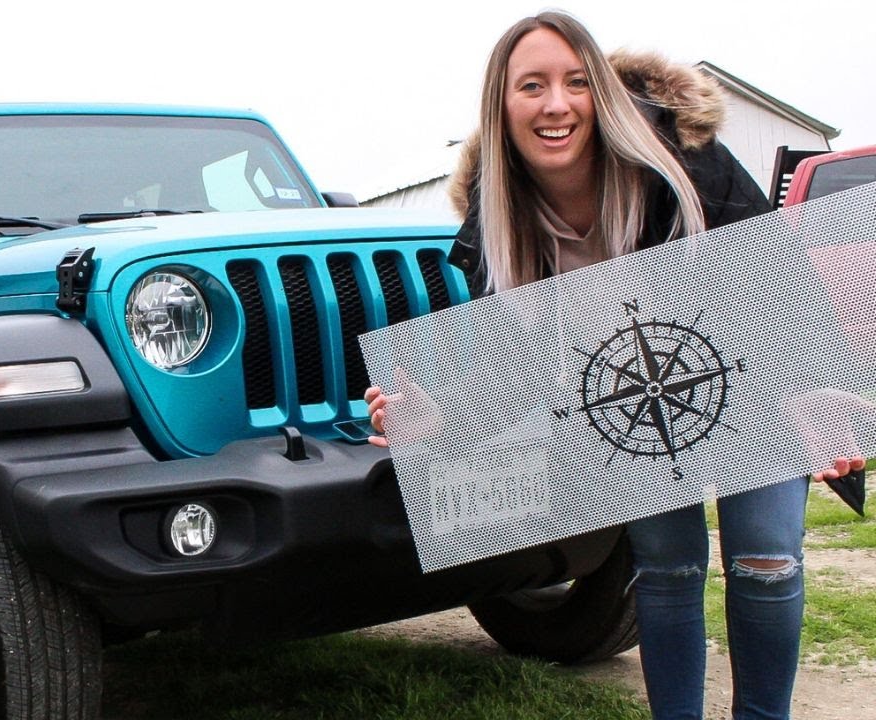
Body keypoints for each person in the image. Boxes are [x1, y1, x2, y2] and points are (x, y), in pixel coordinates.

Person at [363, 11, 866, 720]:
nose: (556, 104)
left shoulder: (679, 160)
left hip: (756, 374)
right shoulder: (498, 218)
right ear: (501, 108)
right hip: (635, 401)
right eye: (531, 86)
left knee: (764, 558)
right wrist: (440, 416)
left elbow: (777, 281)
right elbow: (520, 366)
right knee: (666, 571)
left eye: (574, 82)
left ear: (598, 92)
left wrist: (812, 389)